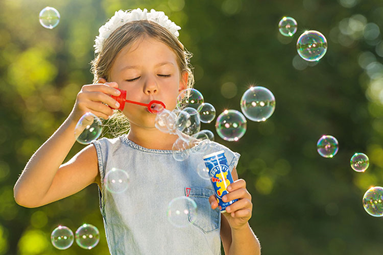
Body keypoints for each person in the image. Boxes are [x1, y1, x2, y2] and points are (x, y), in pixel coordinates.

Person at [14, 8, 261, 255]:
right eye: (133, 77)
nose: (151, 86)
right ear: (108, 89)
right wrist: (76, 120)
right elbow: (28, 195)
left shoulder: (212, 160)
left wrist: (240, 227)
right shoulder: (106, 157)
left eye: (163, 74)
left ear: (183, 83)